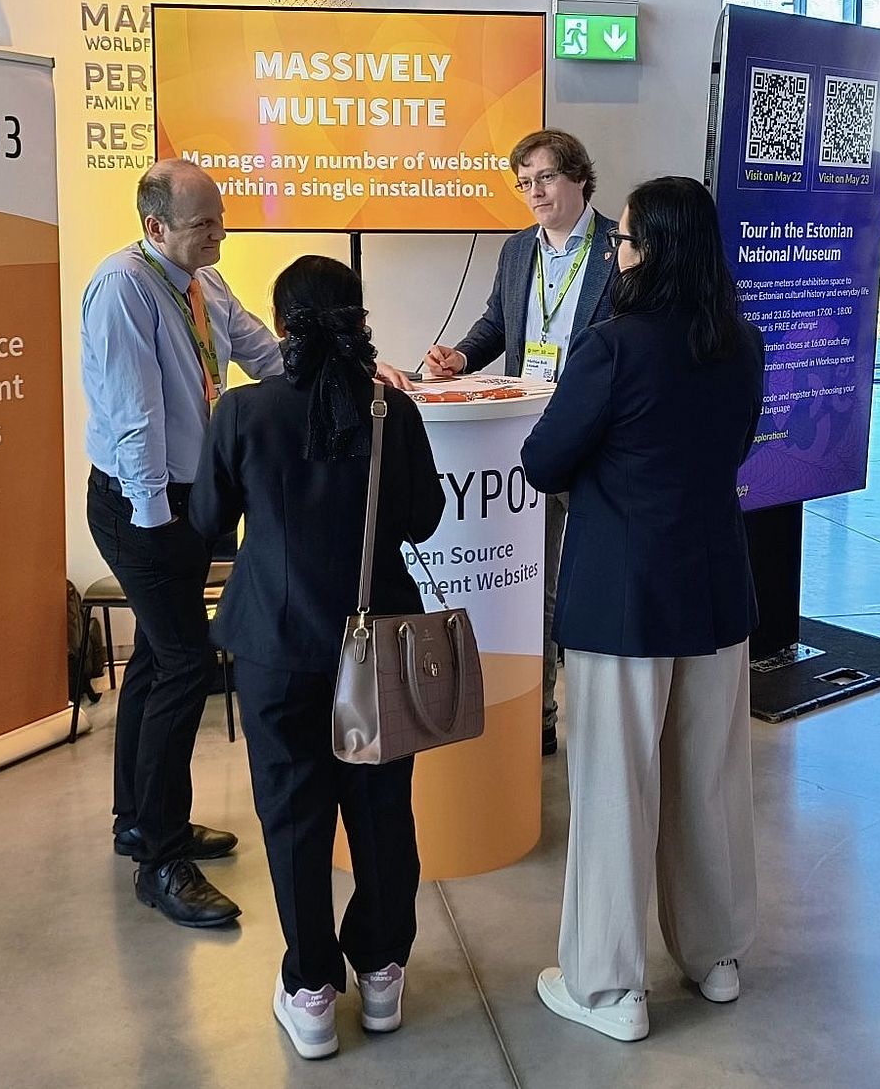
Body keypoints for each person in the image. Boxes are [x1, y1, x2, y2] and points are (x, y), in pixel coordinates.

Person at [81, 159, 411, 929]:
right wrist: (160, 523)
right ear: (155, 225)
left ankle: (138, 817)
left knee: (162, 662)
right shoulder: (125, 286)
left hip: (181, 500)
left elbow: (265, 355)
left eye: (221, 217)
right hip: (143, 502)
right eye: (204, 224)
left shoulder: (202, 284)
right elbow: (133, 416)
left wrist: (361, 373)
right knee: (185, 666)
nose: (219, 233)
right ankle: (160, 860)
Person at [520, 176, 764, 1043]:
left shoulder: (611, 346)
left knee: (614, 786)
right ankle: (715, 956)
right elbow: (732, 447)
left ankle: (608, 987)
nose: (616, 253)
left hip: (621, 598)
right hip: (713, 589)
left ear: (651, 249)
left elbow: (543, 461)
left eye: (623, 241)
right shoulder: (740, 341)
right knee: (710, 778)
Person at [190, 256, 444, 1060]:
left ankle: (309, 991)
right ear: (358, 319)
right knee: (381, 812)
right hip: (381, 647)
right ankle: (380, 973)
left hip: (274, 647)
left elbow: (205, 521)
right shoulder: (390, 414)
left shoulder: (242, 412)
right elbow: (425, 520)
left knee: (294, 816)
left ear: (284, 324)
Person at [423, 129, 619, 758]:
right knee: (527, 583)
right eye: (525, 182)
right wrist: (460, 356)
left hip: (594, 439)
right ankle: (536, 713)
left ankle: (588, 711)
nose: (534, 192)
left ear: (579, 178)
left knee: (576, 586)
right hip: (522, 437)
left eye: (546, 178)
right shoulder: (516, 252)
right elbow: (496, 323)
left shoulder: (621, 246)